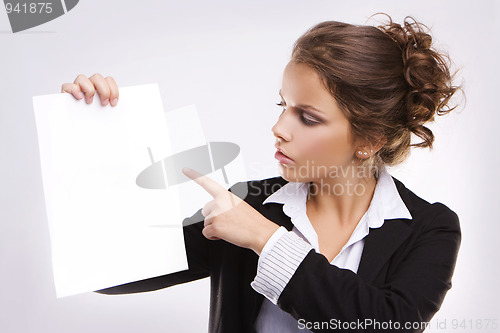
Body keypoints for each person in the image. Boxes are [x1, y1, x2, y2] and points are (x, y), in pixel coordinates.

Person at [61, 14, 461, 333]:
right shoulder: (249, 203)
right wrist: (98, 138)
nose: (279, 128)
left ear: (369, 139)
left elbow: (386, 324)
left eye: (307, 117)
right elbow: (109, 271)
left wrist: (265, 240)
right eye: (283, 105)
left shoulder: (430, 228)